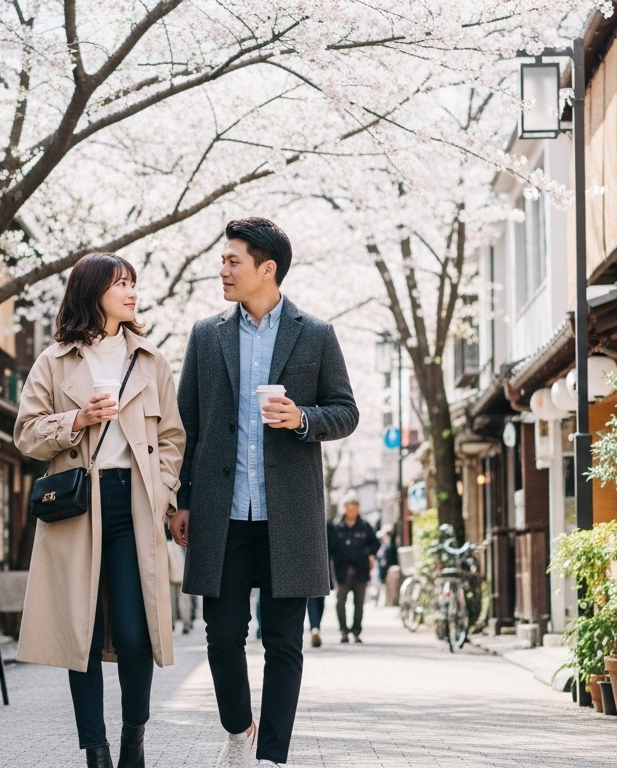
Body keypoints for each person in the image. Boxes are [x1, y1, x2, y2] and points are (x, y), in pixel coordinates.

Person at [171, 217, 358, 768]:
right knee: (222, 637)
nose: (223, 270)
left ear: (267, 268)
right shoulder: (206, 335)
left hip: (289, 515)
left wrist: (302, 418)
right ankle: (238, 729)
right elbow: (186, 426)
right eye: (223, 261)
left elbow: (346, 411)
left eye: (233, 261)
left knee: (284, 642)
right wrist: (182, 500)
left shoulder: (315, 333)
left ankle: (273, 757)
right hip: (220, 513)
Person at [14, 252, 186, 768]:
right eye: (120, 283)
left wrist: (162, 491)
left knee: (135, 633)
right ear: (92, 293)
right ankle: (96, 750)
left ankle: (134, 736)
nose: (132, 292)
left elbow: (173, 437)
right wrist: (76, 419)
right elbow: (26, 434)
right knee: (81, 635)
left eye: (133, 282)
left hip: (134, 504)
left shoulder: (151, 361)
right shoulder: (54, 361)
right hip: (77, 506)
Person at [328, 494, 377, 643]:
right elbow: (331, 547)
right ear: (344, 509)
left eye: (354, 509)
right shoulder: (337, 527)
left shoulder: (365, 526)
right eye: (349, 509)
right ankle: (343, 631)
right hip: (342, 570)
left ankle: (356, 631)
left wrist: (369, 554)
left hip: (361, 570)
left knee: (359, 603)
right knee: (340, 601)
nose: (352, 512)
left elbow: (375, 543)